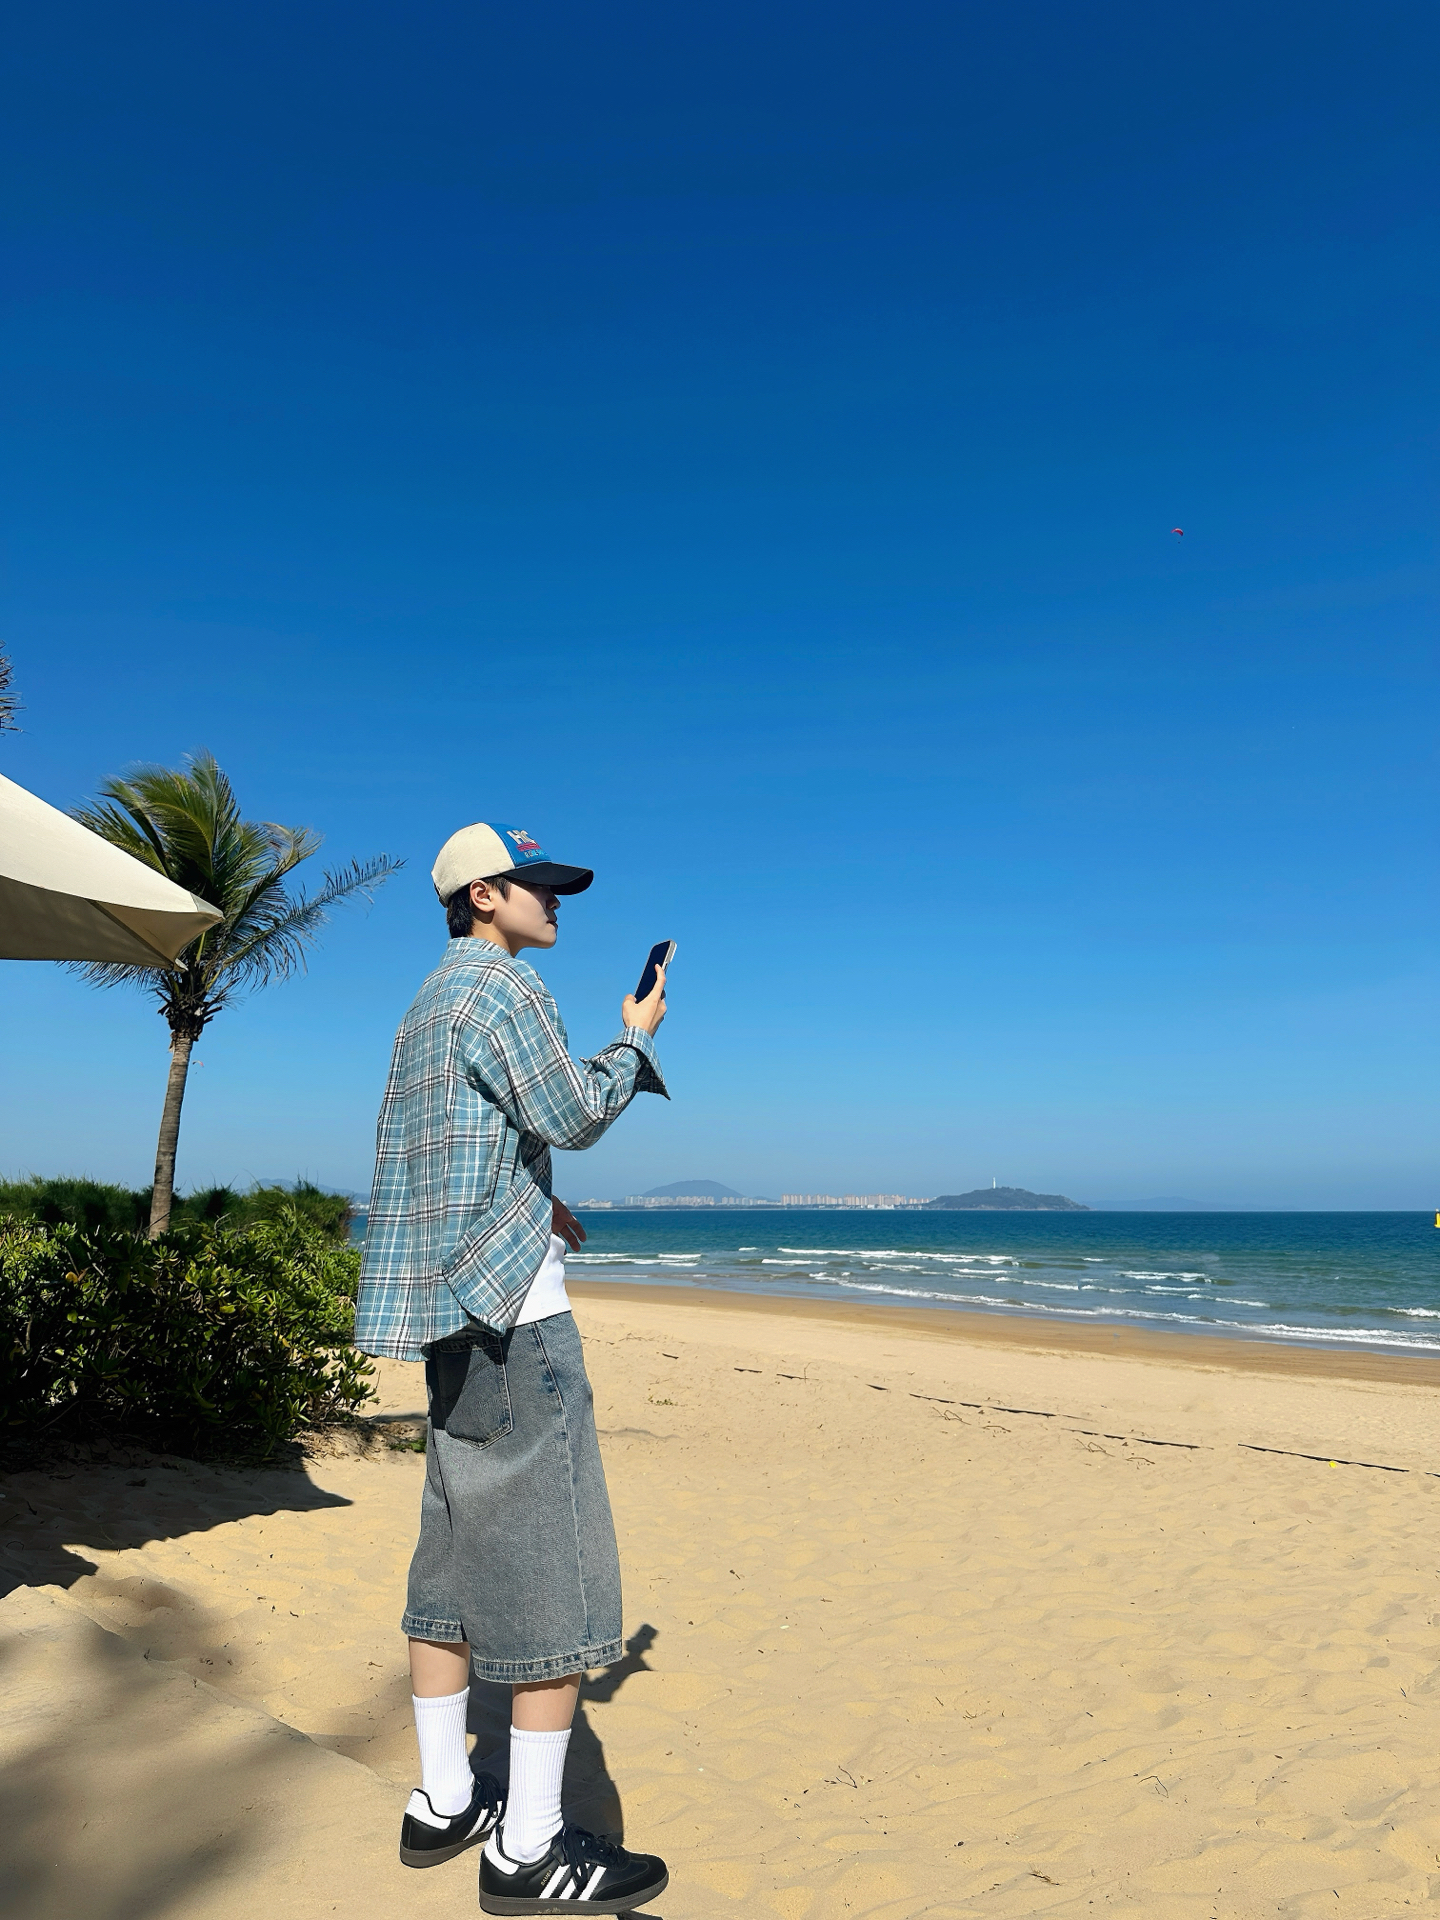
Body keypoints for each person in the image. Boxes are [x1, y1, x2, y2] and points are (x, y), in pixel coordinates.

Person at [355, 819, 671, 1915]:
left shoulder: (427, 1005)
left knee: (447, 1566)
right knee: (554, 1579)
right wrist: (633, 1038)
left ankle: (445, 1801)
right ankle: (528, 1850)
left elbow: (459, 1147)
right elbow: (575, 1110)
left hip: (449, 1322)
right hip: (517, 1326)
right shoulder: (504, 991)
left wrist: (538, 1204)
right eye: (538, 887)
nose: (555, 904)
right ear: (484, 897)